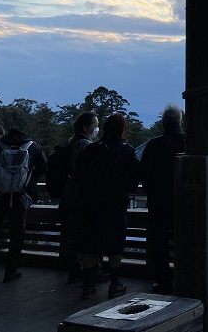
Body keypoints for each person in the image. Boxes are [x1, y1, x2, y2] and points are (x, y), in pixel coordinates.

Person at [76, 112, 140, 300]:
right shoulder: (127, 151)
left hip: (89, 204)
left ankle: (88, 285)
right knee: (115, 245)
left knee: (89, 245)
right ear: (122, 129)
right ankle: (114, 283)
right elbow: (133, 181)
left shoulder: (90, 149)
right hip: (114, 205)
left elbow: (79, 175)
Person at [0, 127, 46, 284]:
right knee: (17, 232)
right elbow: (42, 168)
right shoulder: (33, 147)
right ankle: (11, 270)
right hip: (21, 197)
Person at [140, 103, 186, 294]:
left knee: (159, 244)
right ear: (180, 121)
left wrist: (153, 191)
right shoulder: (190, 142)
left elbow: (144, 173)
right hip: (185, 202)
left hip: (159, 202)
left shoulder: (154, 144)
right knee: (185, 241)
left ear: (163, 123)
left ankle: (163, 281)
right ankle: (185, 280)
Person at [59, 111, 99, 283]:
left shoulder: (71, 142)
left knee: (71, 232)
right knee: (87, 232)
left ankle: (74, 269)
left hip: (68, 193)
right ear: (86, 127)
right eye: (95, 125)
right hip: (82, 195)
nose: (97, 128)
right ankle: (91, 270)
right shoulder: (85, 145)